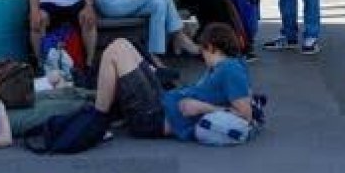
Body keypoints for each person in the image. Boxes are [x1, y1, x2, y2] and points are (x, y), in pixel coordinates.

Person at [92, 23, 252, 140]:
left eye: (202, 50)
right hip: (160, 102)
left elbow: (245, 116)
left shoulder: (231, 70)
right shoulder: (223, 68)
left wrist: (203, 108)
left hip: (153, 118)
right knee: (127, 44)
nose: (202, 56)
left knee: (116, 50)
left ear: (210, 47)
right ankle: (109, 113)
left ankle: (96, 124)